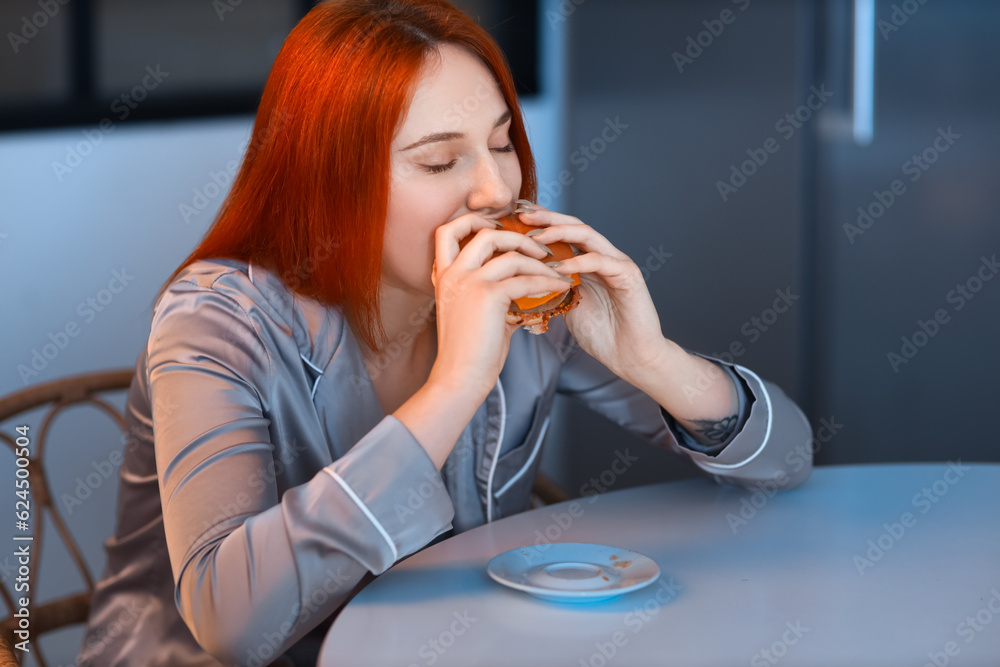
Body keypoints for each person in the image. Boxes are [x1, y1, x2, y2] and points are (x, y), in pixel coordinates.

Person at [78, 0, 813, 664]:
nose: (497, 190)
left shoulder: (527, 300)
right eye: (438, 159)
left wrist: (655, 360)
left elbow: (787, 462)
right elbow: (232, 624)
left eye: (501, 143)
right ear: (329, 183)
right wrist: (455, 385)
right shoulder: (214, 322)